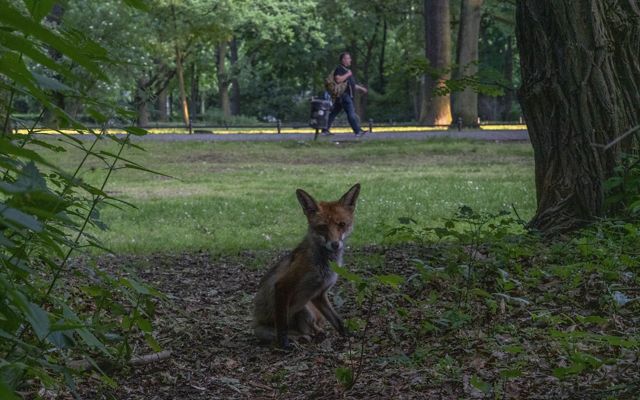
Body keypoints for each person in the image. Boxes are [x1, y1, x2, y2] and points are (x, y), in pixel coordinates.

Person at [322, 52, 369, 137]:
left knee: (333, 113)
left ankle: (325, 130)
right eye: (348, 58)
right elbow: (338, 80)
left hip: (341, 96)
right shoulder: (340, 69)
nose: (350, 60)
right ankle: (358, 131)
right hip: (344, 96)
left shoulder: (346, 70)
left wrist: (362, 89)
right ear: (343, 60)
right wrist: (348, 74)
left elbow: (351, 85)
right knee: (351, 113)